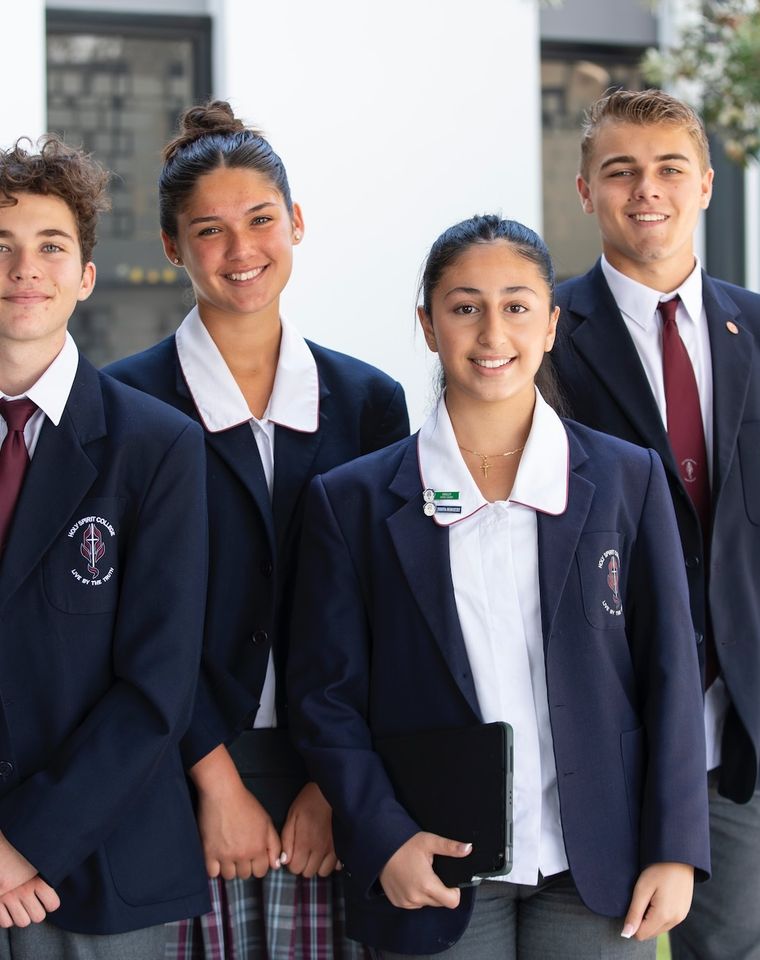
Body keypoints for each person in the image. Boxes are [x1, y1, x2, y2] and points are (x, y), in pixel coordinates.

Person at [287, 214, 710, 959]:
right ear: (427, 325)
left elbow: (671, 673)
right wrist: (384, 837)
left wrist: (675, 846)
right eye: (464, 307)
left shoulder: (625, 478)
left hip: (596, 859)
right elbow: (325, 697)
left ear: (550, 325)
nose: (492, 333)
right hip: (432, 855)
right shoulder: (350, 500)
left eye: (516, 306)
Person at [105, 101, 409, 959]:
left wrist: (330, 781)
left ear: (297, 222)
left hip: (331, 769)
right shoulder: (122, 406)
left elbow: (387, 608)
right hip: (176, 769)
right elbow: (127, 619)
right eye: (209, 230)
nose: (242, 252)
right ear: (172, 248)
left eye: (261, 220)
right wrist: (215, 779)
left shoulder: (369, 402)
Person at [550, 87, 760, 960]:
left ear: (707, 184)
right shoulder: (540, 334)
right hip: (609, 718)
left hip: (743, 726)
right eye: (621, 171)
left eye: (671, 168)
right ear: (585, 190)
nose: (648, 189)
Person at [0, 135, 209, 960]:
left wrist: (24, 841)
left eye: (51, 247)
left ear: (85, 277)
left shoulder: (156, 446)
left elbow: (158, 684)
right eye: (3, 248)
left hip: (101, 863)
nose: (25, 268)